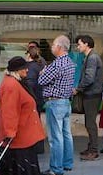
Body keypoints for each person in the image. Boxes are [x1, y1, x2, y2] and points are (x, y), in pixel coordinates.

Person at [0, 56, 45, 175]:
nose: (27, 70)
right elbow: (9, 111)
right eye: (24, 68)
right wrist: (10, 133)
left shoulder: (16, 82)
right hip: (18, 138)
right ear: (17, 70)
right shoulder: (12, 85)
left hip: (22, 136)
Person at [38, 35, 75, 175]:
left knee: (55, 137)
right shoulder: (70, 62)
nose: (52, 47)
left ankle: (56, 169)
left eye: (53, 45)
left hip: (55, 102)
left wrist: (42, 72)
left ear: (59, 47)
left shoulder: (57, 64)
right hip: (66, 102)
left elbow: (41, 80)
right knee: (66, 134)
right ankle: (67, 163)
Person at [73, 35, 103, 161]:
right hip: (92, 94)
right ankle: (91, 147)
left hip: (92, 95)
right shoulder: (91, 57)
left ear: (86, 44)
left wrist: (78, 89)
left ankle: (93, 150)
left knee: (90, 123)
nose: (78, 46)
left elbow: (89, 78)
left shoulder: (92, 58)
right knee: (89, 122)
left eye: (80, 44)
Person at [26, 46, 47, 154]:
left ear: (29, 55)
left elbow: (29, 83)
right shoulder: (41, 64)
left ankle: (34, 147)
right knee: (37, 121)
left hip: (32, 98)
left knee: (32, 123)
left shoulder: (30, 67)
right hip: (40, 97)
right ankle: (39, 147)